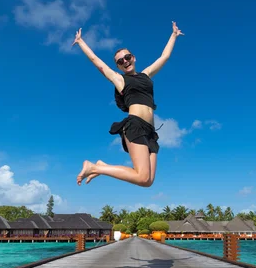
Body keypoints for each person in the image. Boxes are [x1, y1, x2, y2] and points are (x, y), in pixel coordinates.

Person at [72, 21, 184, 187]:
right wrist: (81, 42)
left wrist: (173, 35)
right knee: (141, 176)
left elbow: (164, 57)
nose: (125, 61)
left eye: (127, 57)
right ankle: (94, 167)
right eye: (120, 61)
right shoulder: (120, 79)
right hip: (135, 125)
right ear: (118, 66)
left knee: (147, 181)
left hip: (150, 131)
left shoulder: (146, 74)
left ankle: (101, 166)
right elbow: (96, 61)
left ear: (133, 58)